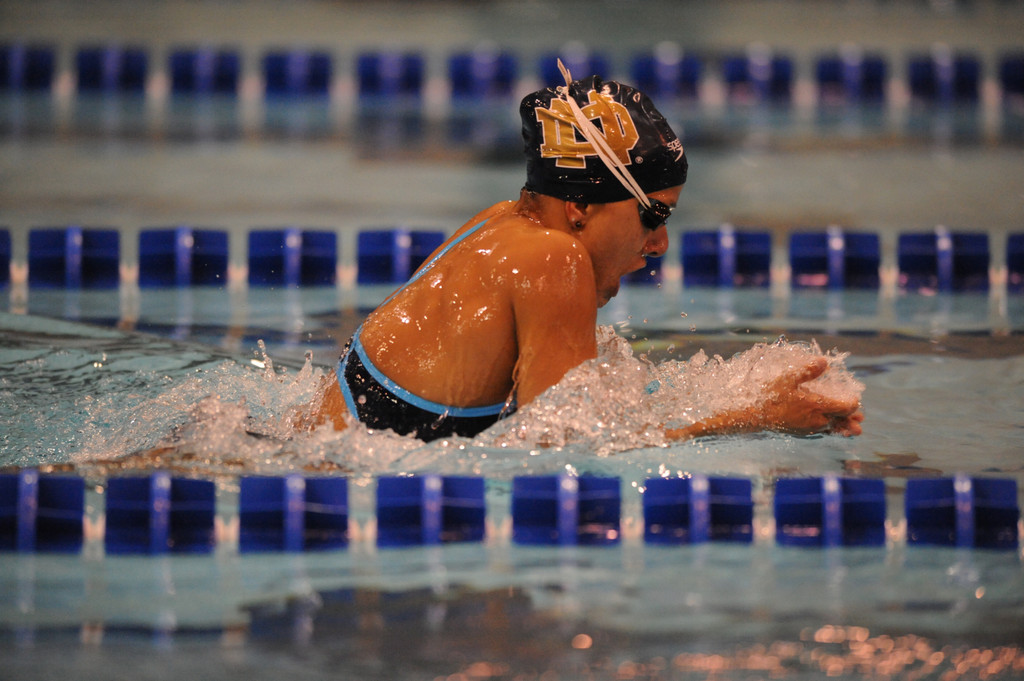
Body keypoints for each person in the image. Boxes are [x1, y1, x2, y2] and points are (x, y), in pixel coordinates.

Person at [311, 62, 864, 442]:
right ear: (581, 207)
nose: (660, 243)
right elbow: (563, 454)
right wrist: (754, 418)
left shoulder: (498, 221)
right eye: (654, 215)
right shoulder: (555, 259)